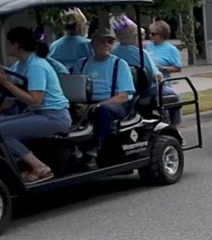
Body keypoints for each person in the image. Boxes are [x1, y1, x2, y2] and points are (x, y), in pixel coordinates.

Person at [0, 27, 72, 182]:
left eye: (9, 43)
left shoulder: (36, 66)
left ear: (16, 45)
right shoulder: (21, 65)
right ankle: (19, 165)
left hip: (55, 116)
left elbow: (35, 99)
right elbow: (12, 93)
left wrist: (7, 84)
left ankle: (40, 167)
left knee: (1, 131)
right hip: (38, 113)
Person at [71, 28, 136, 170]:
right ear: (92, 45)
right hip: (86, 102)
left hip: (114, 103)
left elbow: (123, 96)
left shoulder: (120, 64)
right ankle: (70, 150)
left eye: (110, 42)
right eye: (102, 41)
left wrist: (99, 105)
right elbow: (73, 89)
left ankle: (94, 151)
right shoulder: (81, 64)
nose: (106, 45)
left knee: (102, 111)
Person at [145, 20, 184, 125]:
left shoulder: (171, 49)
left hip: (163, 83)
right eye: (149, 33)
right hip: (149, 83)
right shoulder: (147, 47)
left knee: (169, 106)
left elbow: (178, 67)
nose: (150, 36)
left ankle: (175, 128)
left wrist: (163, 68)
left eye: (153, 34)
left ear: (162, 35)